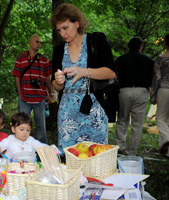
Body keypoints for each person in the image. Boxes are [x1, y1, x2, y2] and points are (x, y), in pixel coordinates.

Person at [50, 3, 116, 153]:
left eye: (65, 28)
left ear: (77, 23)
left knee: (96, 154)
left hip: (94, 108)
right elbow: (56, 86)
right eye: (59, 30)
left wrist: (84, 71)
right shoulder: (59, 51)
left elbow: (111, 72)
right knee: (69, 155)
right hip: (67, 111)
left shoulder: (96, 40)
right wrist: (58, 81)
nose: (62, 33)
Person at [115, 37, 154, 156]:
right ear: (140, 46)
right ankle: (132, 151)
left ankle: (120, 147)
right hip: (141, 91)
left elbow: (115, 77)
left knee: (122, 120)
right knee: (138, 122)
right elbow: (152, 78)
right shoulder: (148, 60)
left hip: (124, 91)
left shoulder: (120, 59)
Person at [12, 35, 52, 143]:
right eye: (37, 41)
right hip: (24, 98)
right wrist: (20, 93)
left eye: (40, 42)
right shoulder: (21, 58)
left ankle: (43, 152)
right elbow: (17, 76)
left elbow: (48, 78)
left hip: (40, 98)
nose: (39, 44)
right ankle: (20, 148)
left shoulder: (44, 60)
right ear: (30, 42)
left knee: (41, 127)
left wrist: (50, 93)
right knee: (21, 125)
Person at [151, 32, 169, 158]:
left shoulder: (161, 58)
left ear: (165, 43)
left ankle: (168, 147)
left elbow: (156, 78)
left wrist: (153, 96)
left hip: (164, 89)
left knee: (161, 119)